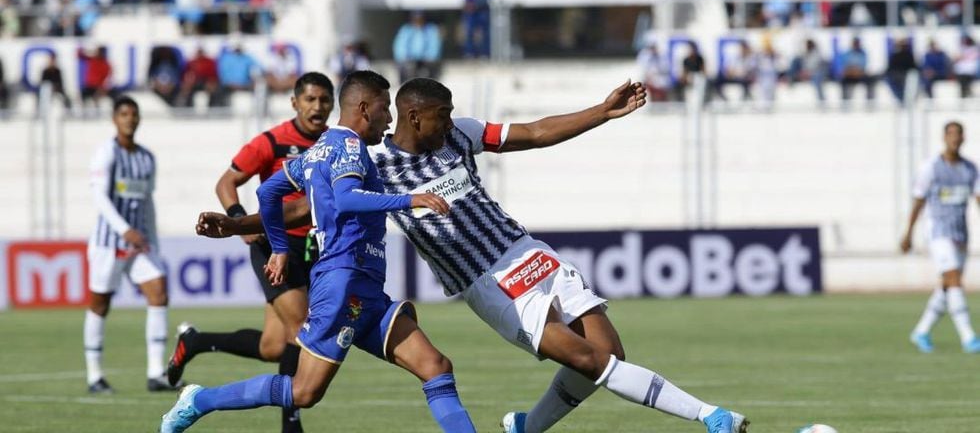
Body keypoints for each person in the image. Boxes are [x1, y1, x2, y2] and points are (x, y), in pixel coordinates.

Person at [197, 77, 749, 433]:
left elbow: (534, 132)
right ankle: (710, 416)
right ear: (415, 117)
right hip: (488, 282)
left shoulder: (459, 134)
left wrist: (601, 112)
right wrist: (236, 225)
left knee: (608, 353)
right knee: (587, 362)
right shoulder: (375, 164)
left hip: (529, 252)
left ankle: (524, 428)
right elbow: (305, 208)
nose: (451, 118)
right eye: (442, 113)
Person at [161, 71, 477, 433]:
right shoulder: (350, 147)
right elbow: (346, 198)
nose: (390, 118)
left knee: (435, 367)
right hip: (343, 283)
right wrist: (411, 199)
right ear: (364, 108)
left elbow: (268, 193)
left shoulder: (318, 149)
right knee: (303, 391)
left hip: (365, 289)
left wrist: (276, 245)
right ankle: (200, 400)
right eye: (384, 108)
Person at [165, 72, 334, 433]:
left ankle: (196, 341)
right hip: (275, 246)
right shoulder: (272, 141)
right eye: (310, 99)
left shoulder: (333, 143)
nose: (317, 107)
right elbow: (226, 182)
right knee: (300, 329)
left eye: (324, 100)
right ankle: (291, 423)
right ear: (294, 102)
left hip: (313, 247)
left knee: (273, 346)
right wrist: (240, 219)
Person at [84, 96, 184, 394]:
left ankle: (156, 373)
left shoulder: (147, 158)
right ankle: (94, 376)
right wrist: (124, 229)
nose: (130, 119)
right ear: (114, 119)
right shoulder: (106, 153)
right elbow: (100, 197)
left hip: (140, 243)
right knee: (100, 303)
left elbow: (147, 200)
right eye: (124, 114)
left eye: (134, 114)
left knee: (159, 291)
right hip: (108, 243)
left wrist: (152, 239)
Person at [902, 122, 980, 354]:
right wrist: (908, 233)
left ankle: (921, 331)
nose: (955, 138)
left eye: (958, 134)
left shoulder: (970, 169)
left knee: (947, 286)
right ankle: (968, 337)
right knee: (953, 278)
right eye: (951, 134)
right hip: (938, 232)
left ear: (963, 138)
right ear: (944, 137)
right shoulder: (931, 168)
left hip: (960, 233)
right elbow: (918, 201)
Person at [393, 11, 442, 84]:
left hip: (426, 59)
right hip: (410, 59)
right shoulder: (406, 29)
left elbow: (435, 45)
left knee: (430, 68)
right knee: (407, 67)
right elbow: (400, 46)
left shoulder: (431, 29)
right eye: (415, 19)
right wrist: (404, 57)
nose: (418, 21)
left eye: (420, 18)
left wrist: (430, 56)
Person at [884, 37, 917, 105]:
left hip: (905, 74)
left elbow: (913, 66)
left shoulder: (908, 55)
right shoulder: (895, 55)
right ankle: (901, 98)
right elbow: (890, 67)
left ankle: (903, 99)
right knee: (888, 80)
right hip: (895, 74)